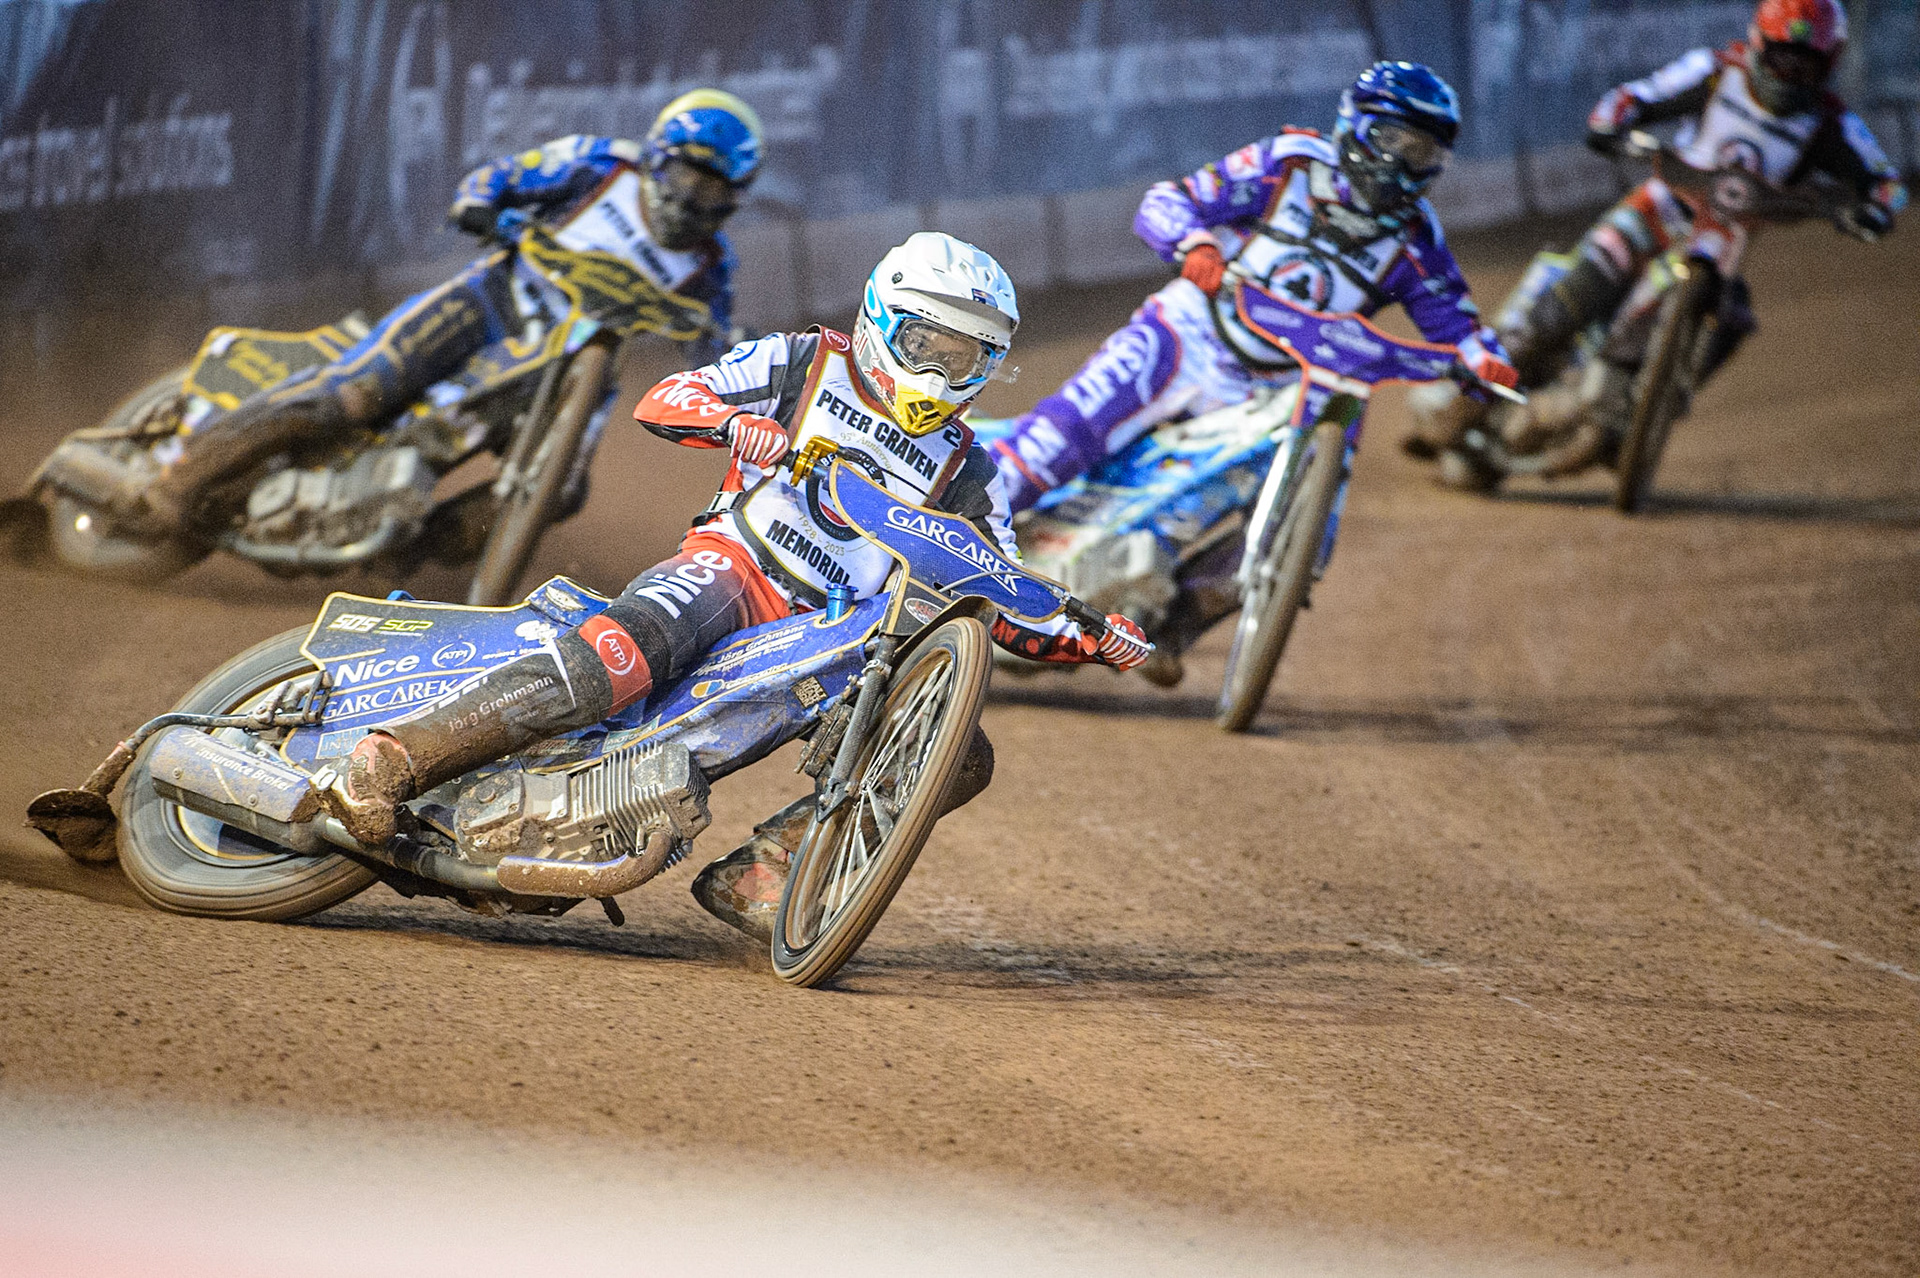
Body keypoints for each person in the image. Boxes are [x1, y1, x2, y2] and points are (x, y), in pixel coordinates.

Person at [321, 232, 1152, 939]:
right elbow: (666, 397)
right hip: (736, 568)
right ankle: (391, 759)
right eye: (928, 345)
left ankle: (768, 872)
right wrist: (731, 423)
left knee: (959, 753)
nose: (941, 371)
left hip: (836, 641)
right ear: (881, 322)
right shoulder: (802, 362)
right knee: (624, 654)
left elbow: (995, 586)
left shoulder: (971, 468)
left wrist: (1086, 633)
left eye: (965, 356)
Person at [131, 88, 763, 532]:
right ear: (658, 159)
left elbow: (707, 354)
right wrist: (481, 207)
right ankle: (174, 483)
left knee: (563, 494)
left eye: (713, 190)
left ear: (734, 199)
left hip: (576, 367)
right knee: (352, 397)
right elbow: (494, 179)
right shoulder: (600, 166)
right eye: (687, 178)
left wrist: (736, 362)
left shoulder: (712, 264)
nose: (693, 200)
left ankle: (407, 547)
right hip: (488, 305)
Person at [984, 61, 1516, 515]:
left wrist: (1486, 361)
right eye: (1391, 140)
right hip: (1187, 332)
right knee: (1048, 449)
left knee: (1253, 514)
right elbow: (1168, 201)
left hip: (1277, 391)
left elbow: (1460, 328)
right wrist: (1195, 245)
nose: (1401, 162)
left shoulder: (1417, 242)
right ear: (1355, 124)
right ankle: (948, 531)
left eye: (1420, 153)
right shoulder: (1289, 164)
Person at [1404, 0, 1907, 479]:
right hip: (1658, 207)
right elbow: (1636, 94)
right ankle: (1456, 412)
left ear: (1828, 66)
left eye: (1805, 66)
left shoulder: (1833, 122)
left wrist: (1874, 210)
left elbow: (1887, 185)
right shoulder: (1714, 70)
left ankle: (1639, 418)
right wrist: (1611, 121)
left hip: (1725, 241)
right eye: (1781, 59)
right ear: (1758, 45)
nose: (1789, 76)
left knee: (1731, 320)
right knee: (1560, 311)